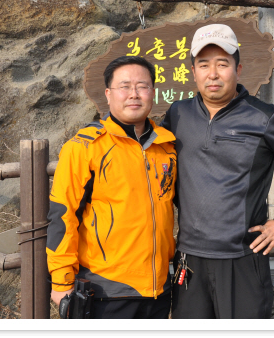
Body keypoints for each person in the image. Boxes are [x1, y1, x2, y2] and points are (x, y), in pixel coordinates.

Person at [161, 23, 274, 319]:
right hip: (189, 260)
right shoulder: (178, 114)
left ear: (238, 68)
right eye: (204, 65)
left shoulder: (265, 117)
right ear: (193, 71)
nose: (213, 74)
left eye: (222, 64)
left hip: (243, 259)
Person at [46, 55, 177, 319]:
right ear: (108, 94)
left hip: (159, 289)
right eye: (124, 86)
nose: (134, 94)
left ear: (153, 93)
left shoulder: (166, 147)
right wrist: (61, 281)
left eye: (142, 86)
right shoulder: (85, 147)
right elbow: (63, 215)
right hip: (106, 290)